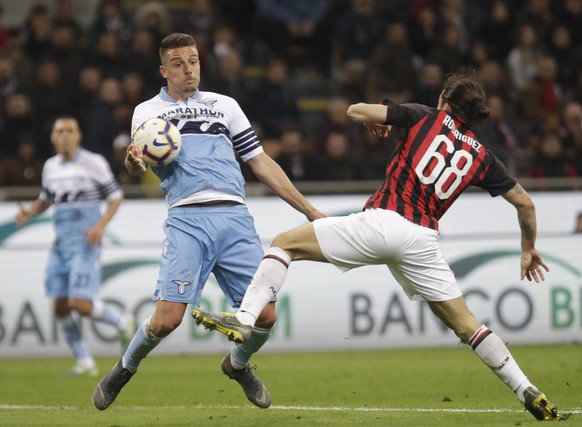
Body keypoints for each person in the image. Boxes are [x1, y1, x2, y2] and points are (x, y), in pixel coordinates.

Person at [193, 68, 567, 421]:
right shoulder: (483, 157)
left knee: (285, 244)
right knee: (468, 326)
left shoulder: (423, 116)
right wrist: (527, 247)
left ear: (446, 103)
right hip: (423, 241)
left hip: (383, 222)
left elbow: (354, 110)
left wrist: (378, 117)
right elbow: (526, 203)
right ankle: (527, 390)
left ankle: (243, 319)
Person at [92, 33, 324, 411]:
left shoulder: (225, 106)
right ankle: (125, 367)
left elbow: (260, 161)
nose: (189, 69)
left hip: (235, 217)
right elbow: (138, 159)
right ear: (164, 70)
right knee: (167, 320)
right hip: (187, 219)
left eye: (194, 61)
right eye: (180, 63)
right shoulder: (148, 111)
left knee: (265, 315)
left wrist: (309, 210)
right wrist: (134, 164)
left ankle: (237, 364)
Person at [15, 116, 135, 376]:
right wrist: (29, 213)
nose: (65, 135)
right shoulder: (50, 167)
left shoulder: (94, 163)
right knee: (59, 306)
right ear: (53, 137)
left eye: (70, 130)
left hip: (85, 243)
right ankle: (84, 361)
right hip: (60, 246)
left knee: (79, 303)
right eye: (60, 131)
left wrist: (100, 226)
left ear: (78, 136)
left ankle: (122, 321)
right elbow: (47, 198)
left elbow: (116, 197)